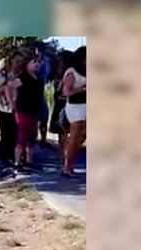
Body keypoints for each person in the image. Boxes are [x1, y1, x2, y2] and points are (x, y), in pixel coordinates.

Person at [12, 53, 44, 173]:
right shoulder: (22, 77)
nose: (36, 64)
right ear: (27, 64)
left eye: (38, 62)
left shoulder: (38, 78)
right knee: (22, 137)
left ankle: (30, 161)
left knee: (32, 137)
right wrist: (13, 101)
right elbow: (11, 87)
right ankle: (17, 162)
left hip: (34, 111)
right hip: (23, 110)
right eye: (33, 62)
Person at [61, 46, 86, 178]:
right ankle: (67, 165)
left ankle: (70, 161)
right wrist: (82, 90)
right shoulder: (72, 72)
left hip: (87, 105)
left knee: (82, 137)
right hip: (75, 106)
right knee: (75, 135)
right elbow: (67, 92)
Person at [0, 52, 21, 167]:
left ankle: (11, 156)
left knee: (14, 133)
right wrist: (7, 87)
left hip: (17, 107)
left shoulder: (20, 74)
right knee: (5, 133)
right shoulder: (3, 74)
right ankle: (4, 158)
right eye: (17, 61)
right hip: (4, 107)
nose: (18, 64)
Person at [49, 50, 73, 163]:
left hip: (66, 105)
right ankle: (63, 156)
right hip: (60, 105)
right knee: (62, 133)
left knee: (66, 132)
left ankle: (66, 156)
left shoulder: (69, 75)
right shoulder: (59, 74)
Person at [34, 42, 53, 147]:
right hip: (34, 90)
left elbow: (44, 75)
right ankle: (34, 137)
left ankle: (43, 138)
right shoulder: (33, 60)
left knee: (43, 117)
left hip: (42, 89)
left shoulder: (45, 61)